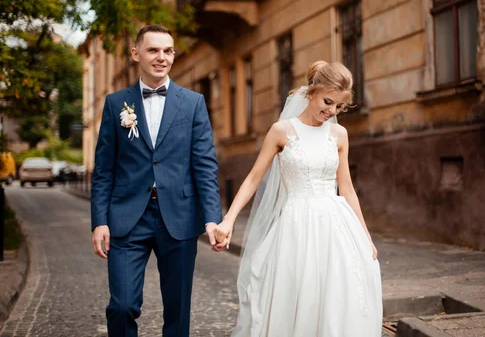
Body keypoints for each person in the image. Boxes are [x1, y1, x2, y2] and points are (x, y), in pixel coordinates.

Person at [214, 60, 383, 336]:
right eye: (327, 102)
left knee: (339, 294)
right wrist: (229, 220)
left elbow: (347, 188)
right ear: (311, 92)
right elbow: (254, 178)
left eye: (339, 107)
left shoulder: (339, 135)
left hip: (335, 226)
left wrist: (365, 236)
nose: (331, 111)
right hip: (295, 227)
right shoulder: (282, 131)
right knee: (298, 295)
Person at [91, 25, 222, 337]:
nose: (161, 57)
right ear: (136, 54)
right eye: (153, 50)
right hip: (126, 218)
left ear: (173, 55)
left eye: (167, 51)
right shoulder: (115, 104)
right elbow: (103, 170)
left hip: (178, 216)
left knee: (177, 310)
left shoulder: (193, 103)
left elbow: (204, 165)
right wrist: (99, 221)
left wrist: (212, 219)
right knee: (121, 305)